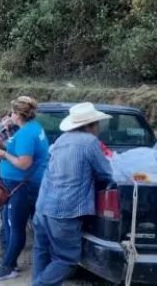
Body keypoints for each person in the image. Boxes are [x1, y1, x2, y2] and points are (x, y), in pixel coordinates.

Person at [32, 103, 113, 286]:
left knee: (42, 251)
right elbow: (106, 173)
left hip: (43, 205)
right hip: (65, 210)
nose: (99, 128)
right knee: (66, 259)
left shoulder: (61, 140)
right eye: (97, 124)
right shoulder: (89, 142)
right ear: (90, 125)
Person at [0, 96, 49, 281]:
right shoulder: (33, 128)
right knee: (12, 222)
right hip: (23, 185)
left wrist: (4, 154)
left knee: (16, 226)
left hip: (22, 186)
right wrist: (6, 141)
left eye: (12, 112)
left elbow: (24, 163)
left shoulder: (26, 133)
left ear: (19, 114)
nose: (10, 115)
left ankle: (9, 266)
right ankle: (9, 259)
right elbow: (21, 149)